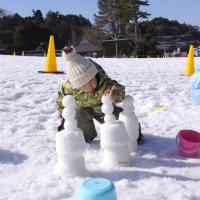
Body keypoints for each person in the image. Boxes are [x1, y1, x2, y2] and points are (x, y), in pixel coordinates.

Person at [56, 46, 144, 144]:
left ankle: (133, 133)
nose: (89, 86)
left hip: (103, 110)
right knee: (75, 112)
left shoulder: (104, 83)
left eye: (91, 80)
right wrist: (62, 112)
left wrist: (114, 95)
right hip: (83, 112)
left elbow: (118, 88)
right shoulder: (69, 89)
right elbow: (62, 100)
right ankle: (86, 135)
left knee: (123, 117)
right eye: (83, 85)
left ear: (95, 74)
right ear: (77, 85)